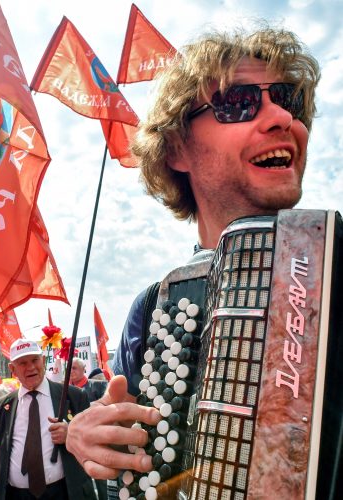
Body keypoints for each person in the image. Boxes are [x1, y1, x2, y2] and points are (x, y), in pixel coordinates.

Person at [65, 24, 320, 480]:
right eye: (238, 103)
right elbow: (126, 438)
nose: (281, 117)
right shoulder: (153, 308)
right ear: (177, 148)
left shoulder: (331, 267)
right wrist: (95, 438)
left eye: (289, 99)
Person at [0, 339, 96, 499]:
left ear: (43, 360)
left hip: (62, 493)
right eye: (23, 363)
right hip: (16, 495)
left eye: (35, 360)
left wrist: (70, 434)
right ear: (12, 368)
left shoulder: (73, 396)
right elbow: (2, 452)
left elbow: (93, 441)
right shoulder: (5, 404)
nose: (31, 367)